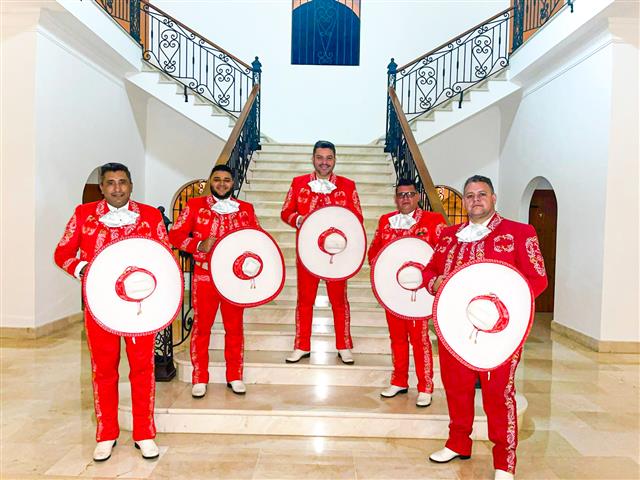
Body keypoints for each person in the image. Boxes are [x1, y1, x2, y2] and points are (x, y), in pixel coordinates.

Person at [423, 175, 547, 480]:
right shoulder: (449, 235)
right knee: (456, 388)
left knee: (498, 394)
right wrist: (433, 282)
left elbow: (537, 279)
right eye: (469, 195)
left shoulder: (520, 232)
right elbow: (430, 270)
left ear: (493, 198)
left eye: (482, 194)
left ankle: (504, 462)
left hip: (499, 333)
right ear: (463, 201)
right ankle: (457, 443)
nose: (475, 200)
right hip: (453, 330)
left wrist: (502, 309)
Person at [54, 163, 165, 461]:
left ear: (131, 185)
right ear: (102, 187)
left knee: (143, 369)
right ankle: (106, 434)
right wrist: (83, 268)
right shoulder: (83, 215)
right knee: (103, 370)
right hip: (100, 307)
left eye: (122, 182)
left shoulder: (151, 216)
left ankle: (144, 433)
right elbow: (62, 253)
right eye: (111, 183)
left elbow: (164, 256)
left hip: (141, 309)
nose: (117, 188)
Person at [169, 164, 259, 398]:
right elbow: (175, 235)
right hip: (204, 276)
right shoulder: (195, 206)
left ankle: (235, 375)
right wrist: (199, 245)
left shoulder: (246, 209)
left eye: (226, 180)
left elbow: (256, 239)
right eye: (217, 179)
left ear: (233, 183)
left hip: (234, 279)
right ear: (211, 181)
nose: (221, 183)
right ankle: (200, 376)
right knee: (201, 328)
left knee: (234, 328)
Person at [281, 140, 363, 364]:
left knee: (339, 300)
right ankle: (301, 345)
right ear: (313, 158)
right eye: (320, 158)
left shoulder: (347, 185)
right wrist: (298, 219)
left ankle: (344, 345)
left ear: (335, 159)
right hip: (306, 253)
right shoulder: (299, 183)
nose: (324, 162)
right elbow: (285, 212)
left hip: (337, 255)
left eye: (329, 158)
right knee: (304, 300)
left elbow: (357, 218)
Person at [367, 178, 446, 407]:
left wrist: (433, 278)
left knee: (420, 340)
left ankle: (425, 386)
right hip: (393, 292)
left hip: (420, 292)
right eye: (401, 195)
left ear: (418, 196)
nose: (405, 199)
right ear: (395, 198)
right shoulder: (385, 221)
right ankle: (399, 380)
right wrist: (384, 273)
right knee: (397, 338)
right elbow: (374, 253)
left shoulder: (434, 221)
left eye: (410, 194)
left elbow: (442, 253)